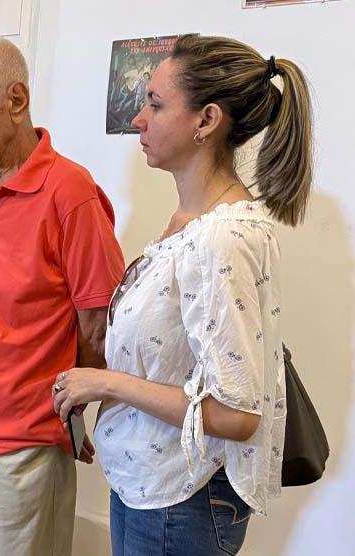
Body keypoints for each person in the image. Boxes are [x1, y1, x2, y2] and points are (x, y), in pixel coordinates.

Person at [52, 34, 309, 556]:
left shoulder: (220, 239)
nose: (139, 120)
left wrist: (108, 382)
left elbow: (237, 415)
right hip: (152, 486)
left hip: (182, 501)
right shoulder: (190, 224)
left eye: (155, 104)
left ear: (206, 121)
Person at [0, 36, 125, 556]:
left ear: (16, 100)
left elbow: (97, 323)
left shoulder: (71, 192)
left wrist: (71, 411)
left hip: (19, 442)